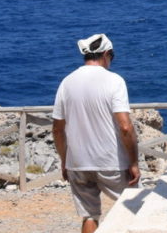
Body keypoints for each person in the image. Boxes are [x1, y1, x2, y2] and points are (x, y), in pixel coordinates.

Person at [52, 33, 140, 233]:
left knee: (89, 215)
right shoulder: (114, 81)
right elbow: (125, 127)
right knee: (133, 209)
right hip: (111, 161)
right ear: (107, 54)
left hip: (77, 163)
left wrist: (65, 160)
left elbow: (57, 129)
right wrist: (133, 162)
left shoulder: (67, 82)